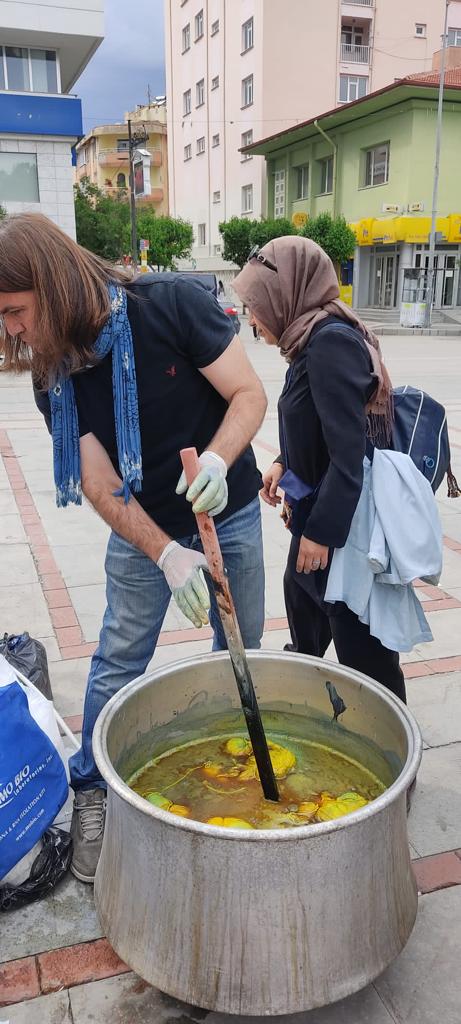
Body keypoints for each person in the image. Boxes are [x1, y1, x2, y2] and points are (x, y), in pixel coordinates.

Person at [0, 213, 267, 882]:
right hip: (142, 523)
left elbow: (247, 394)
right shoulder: (53, 373)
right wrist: (165, 553)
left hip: (227, 510)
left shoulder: (171, 305)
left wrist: (215, 459)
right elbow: (97, 479)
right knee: (119, 657)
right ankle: (93, 785)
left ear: (51, 285)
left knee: (241, 643)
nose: (12, 330)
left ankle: (236, 751)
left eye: (14, 311)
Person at [233, 235, 407, 705]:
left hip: (341, 531)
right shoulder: (307, 339)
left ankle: (391, 737)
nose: (252, 319)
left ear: (286, 294)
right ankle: (306, 706)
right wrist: (282, 463)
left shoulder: (330, 343)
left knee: (364, 652)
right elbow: (317, 428)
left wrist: (320, 535)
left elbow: (348, 455)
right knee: (305, 617)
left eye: (255, 305)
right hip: (315, 516)